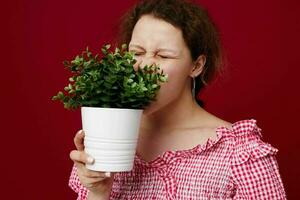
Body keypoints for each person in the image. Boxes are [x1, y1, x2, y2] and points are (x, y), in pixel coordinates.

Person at [68, 0, 287, 199]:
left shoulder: (240, 154)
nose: (143, 67)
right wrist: (98, 192)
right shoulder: (107, 138)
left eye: (163, 56)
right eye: (136, 52)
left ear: (196, 65)